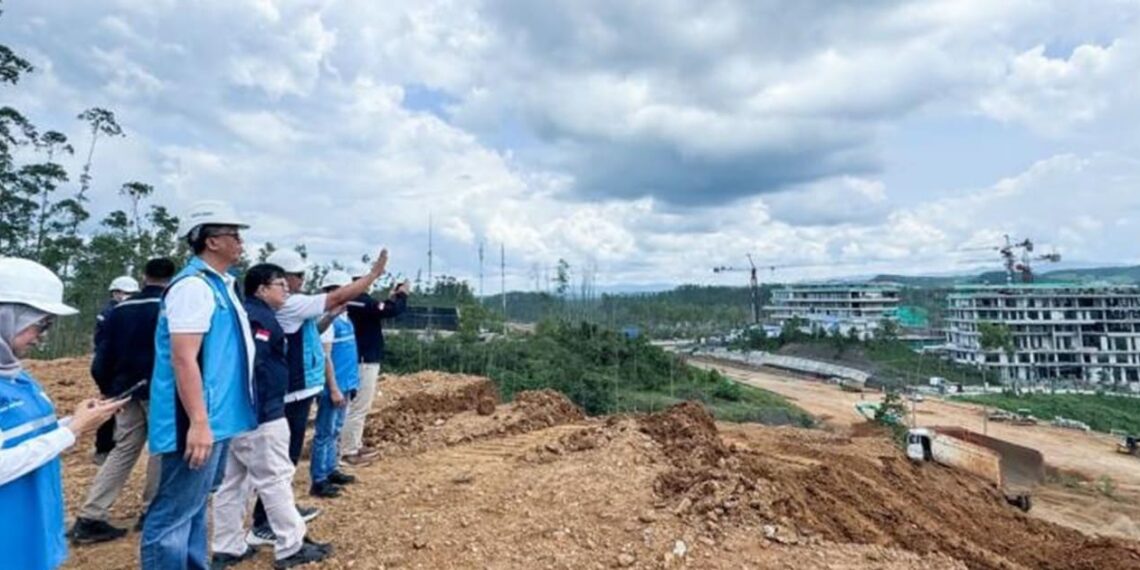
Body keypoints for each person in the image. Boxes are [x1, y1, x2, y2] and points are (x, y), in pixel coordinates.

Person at [140, 200, 259, 570]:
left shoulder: (219, 285)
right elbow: (183, 358)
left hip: (214, 417)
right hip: (195, 420)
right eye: (233, 235)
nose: (240, 243)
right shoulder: (193, 287)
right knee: (173, 512)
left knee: (193, 506)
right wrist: (199, 422)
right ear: (211, 242)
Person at [247, 248, 388, 546]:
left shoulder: (289, 307)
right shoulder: (292, 304)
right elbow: (336, 299)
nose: (300, 280)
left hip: (300, 389)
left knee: (288, 458)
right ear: (282, 277)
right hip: (293, 391)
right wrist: (372, 276)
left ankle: (277, 513)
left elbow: (313, 329)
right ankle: (265, 522)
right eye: (297, 275)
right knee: (284, 459)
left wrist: (329, 316)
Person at [0, 257, 125, 569]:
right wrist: (70, 432)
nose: (42, 336)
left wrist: (77, 421)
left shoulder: (16, 374)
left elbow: (23, 435)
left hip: (28, 527)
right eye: (40, 324)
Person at [210, 264, 332, 569]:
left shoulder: (244, 314)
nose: (287, 290)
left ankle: (227, 546)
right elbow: (257, 364)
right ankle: (291, 546)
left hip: (237, 415)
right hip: (262, 415)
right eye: (281, 284)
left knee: (232, 483)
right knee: (276, 478)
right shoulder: (261, 319)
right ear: (261, 289)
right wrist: (263, 406)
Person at [70, 258, 176, 544]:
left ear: (144, 276)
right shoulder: (170, 308)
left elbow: (101, 356)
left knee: (123, 449)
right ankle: (151, 511)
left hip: (124, 391)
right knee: (161, 449)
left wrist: (108, 390)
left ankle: (91, 515)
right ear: (172, 278)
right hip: (160, 392)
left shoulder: (119, 311)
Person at [341, 274, 409, 466]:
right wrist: (402, 295)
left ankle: (353, 444)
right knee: (358, 406)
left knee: (355, 406)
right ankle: (348, 451)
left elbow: (381, 308)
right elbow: (391, 311)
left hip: (360, 358)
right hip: (364, 360)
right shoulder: (360, 301)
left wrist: (391, 298)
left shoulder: (353, 301)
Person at [309, 271, 360, 498]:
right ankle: (319, 479)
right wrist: (334, 388)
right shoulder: (327, 321)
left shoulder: (344, 318)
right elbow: (326, 357)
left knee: (336, 430)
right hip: (334, 386)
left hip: (346, 383)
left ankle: (331, 470)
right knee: (325, 431)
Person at [91, 275, 140, 465]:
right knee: (109, 406)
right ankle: (103, 448)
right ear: (115, 293)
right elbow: (102, 343)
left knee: (122, 408)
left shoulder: (125, 312)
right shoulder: (109, 313)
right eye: (123, 292)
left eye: (130, 293)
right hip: (110, 366)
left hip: (122, 367)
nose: (126, 296)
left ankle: (114, 445)